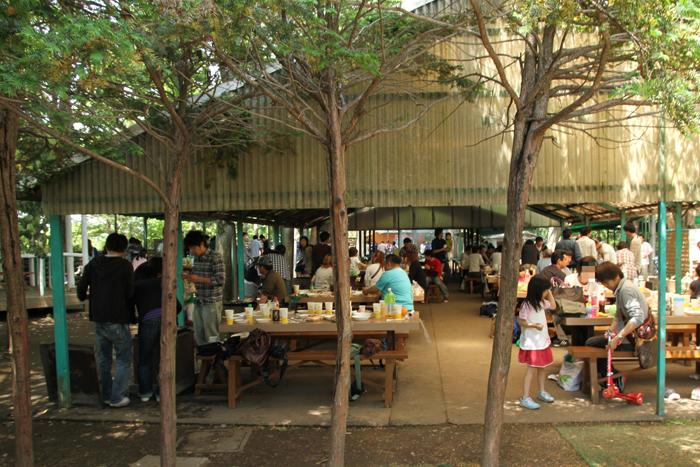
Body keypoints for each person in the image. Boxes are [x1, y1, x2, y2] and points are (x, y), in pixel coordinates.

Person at [76, 233, 134, 408]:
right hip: (117, 319)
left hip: (98, 319)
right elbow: (130, 293)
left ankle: (107, 395)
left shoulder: (93, 264)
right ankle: (117, 397)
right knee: (124, 359)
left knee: (104, 358)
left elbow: (81, 287)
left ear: (106, 247)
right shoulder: (125, 266)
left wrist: (85, 297)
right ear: (124, 249)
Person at [586, 261, 650, 392]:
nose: (606, 286)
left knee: (591, 343)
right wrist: (610, 332)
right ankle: (612, 378)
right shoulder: (621, 288)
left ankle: (614, 377)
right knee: (595, 342)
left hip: (638, 339)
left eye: (607, 282)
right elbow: (618, 316)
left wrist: (617, 338)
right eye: (603, 283)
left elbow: (638, 317)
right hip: (632, 335)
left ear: (616, 277)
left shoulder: (626, 290)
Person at [132, 257, 181, 403]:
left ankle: (145, 393)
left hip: (147, 321)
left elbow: (130, 307)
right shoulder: (163, 283)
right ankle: (162, 393)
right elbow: (177, 307)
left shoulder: (137, 286)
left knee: (145, 359)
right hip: (167, 321)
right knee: (165, 358)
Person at [517, 275, 557, 410]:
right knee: (532, 369)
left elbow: (553, 305)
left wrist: (549, 291)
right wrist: (533, 325)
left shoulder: (541, 303)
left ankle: (541, 391)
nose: (546, 293)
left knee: (542, 368)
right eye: (545, 290)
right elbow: (521, 321)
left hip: (542, 342)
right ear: (537, 290)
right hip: (533, 343)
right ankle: (525, 397)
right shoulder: (527, 305)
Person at [181, 230, 225, 346]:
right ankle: (204, 359)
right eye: (190, 248)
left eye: (194, 248)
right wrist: (187, 277)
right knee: (199, 334)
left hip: (212, 301)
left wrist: (197, 278)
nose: (192, 251)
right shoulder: (195, 259)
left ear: (202, 244)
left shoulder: (215, 257)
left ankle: (214, 360)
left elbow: (220, 280)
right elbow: (193, 276)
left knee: (212, 335)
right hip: (198, 301)